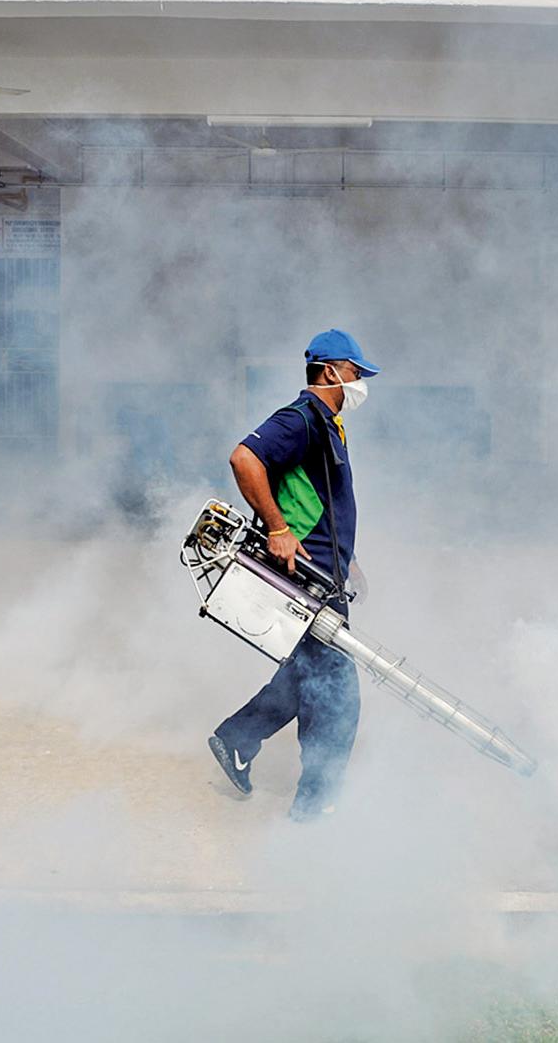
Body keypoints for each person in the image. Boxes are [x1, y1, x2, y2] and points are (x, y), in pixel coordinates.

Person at [209, 328, 378, 822]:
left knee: (307, 675)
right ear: (330, 371)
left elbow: (320, 504)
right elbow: (245, 458)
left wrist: (348, 561)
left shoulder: (327, 426)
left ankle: (237, 738)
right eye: (355, 372)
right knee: (336, 693)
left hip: (326, 574)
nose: (359, 383)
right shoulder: (301, 419)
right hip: (306, 580)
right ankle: (314, 807)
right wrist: (278, 529)